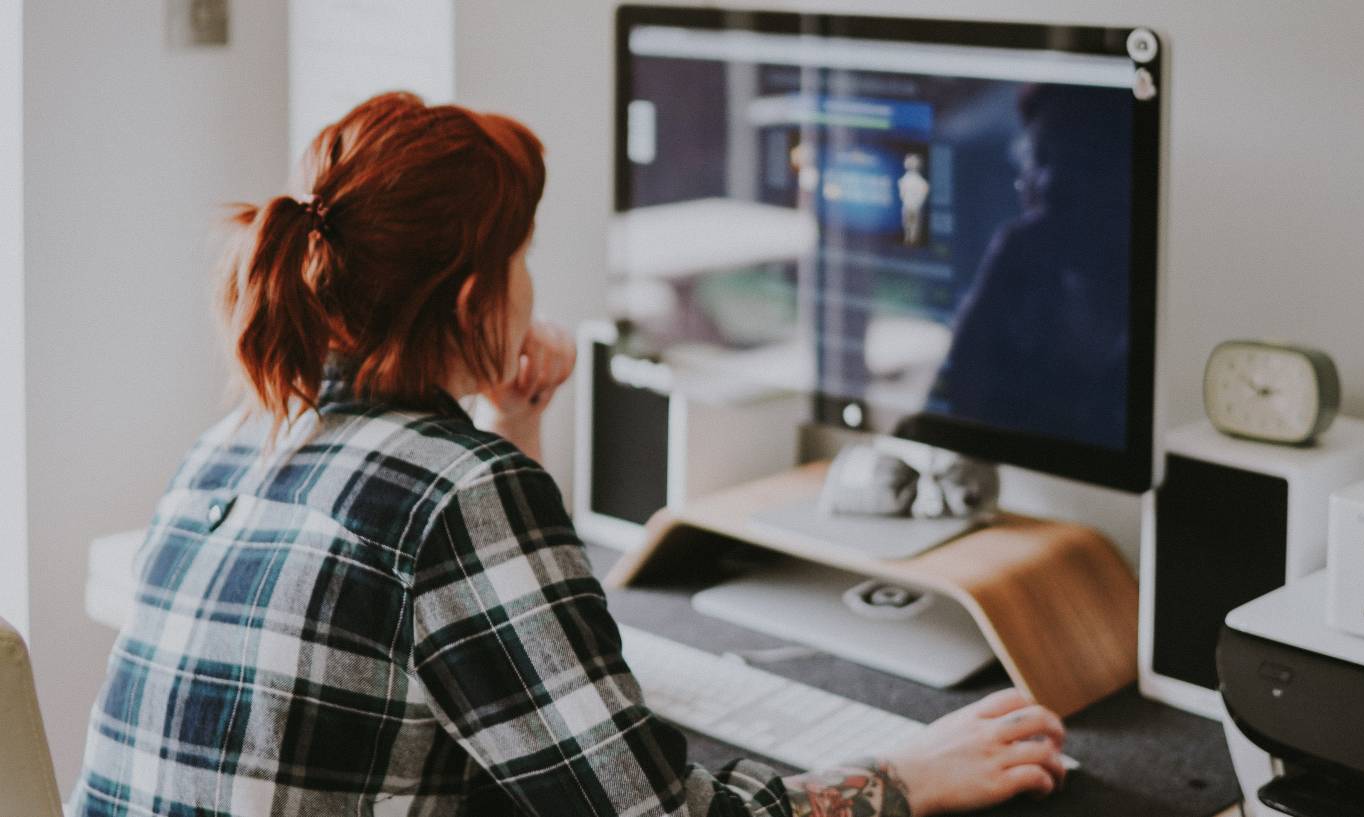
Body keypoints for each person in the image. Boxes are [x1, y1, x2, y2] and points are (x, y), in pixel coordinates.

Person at [70, 92, 1067, 817]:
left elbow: (483, 647)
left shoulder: (236, 438)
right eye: (523, 258)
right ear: (476, 300)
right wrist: (904, 777)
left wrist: (510, 419)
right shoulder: (458, 494)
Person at [923, 84, 1132, 450]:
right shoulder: (1020, 279)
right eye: (1040, 158)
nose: (1052, 183)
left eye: (1080, 161)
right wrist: (996, 281)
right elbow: (943, 418)